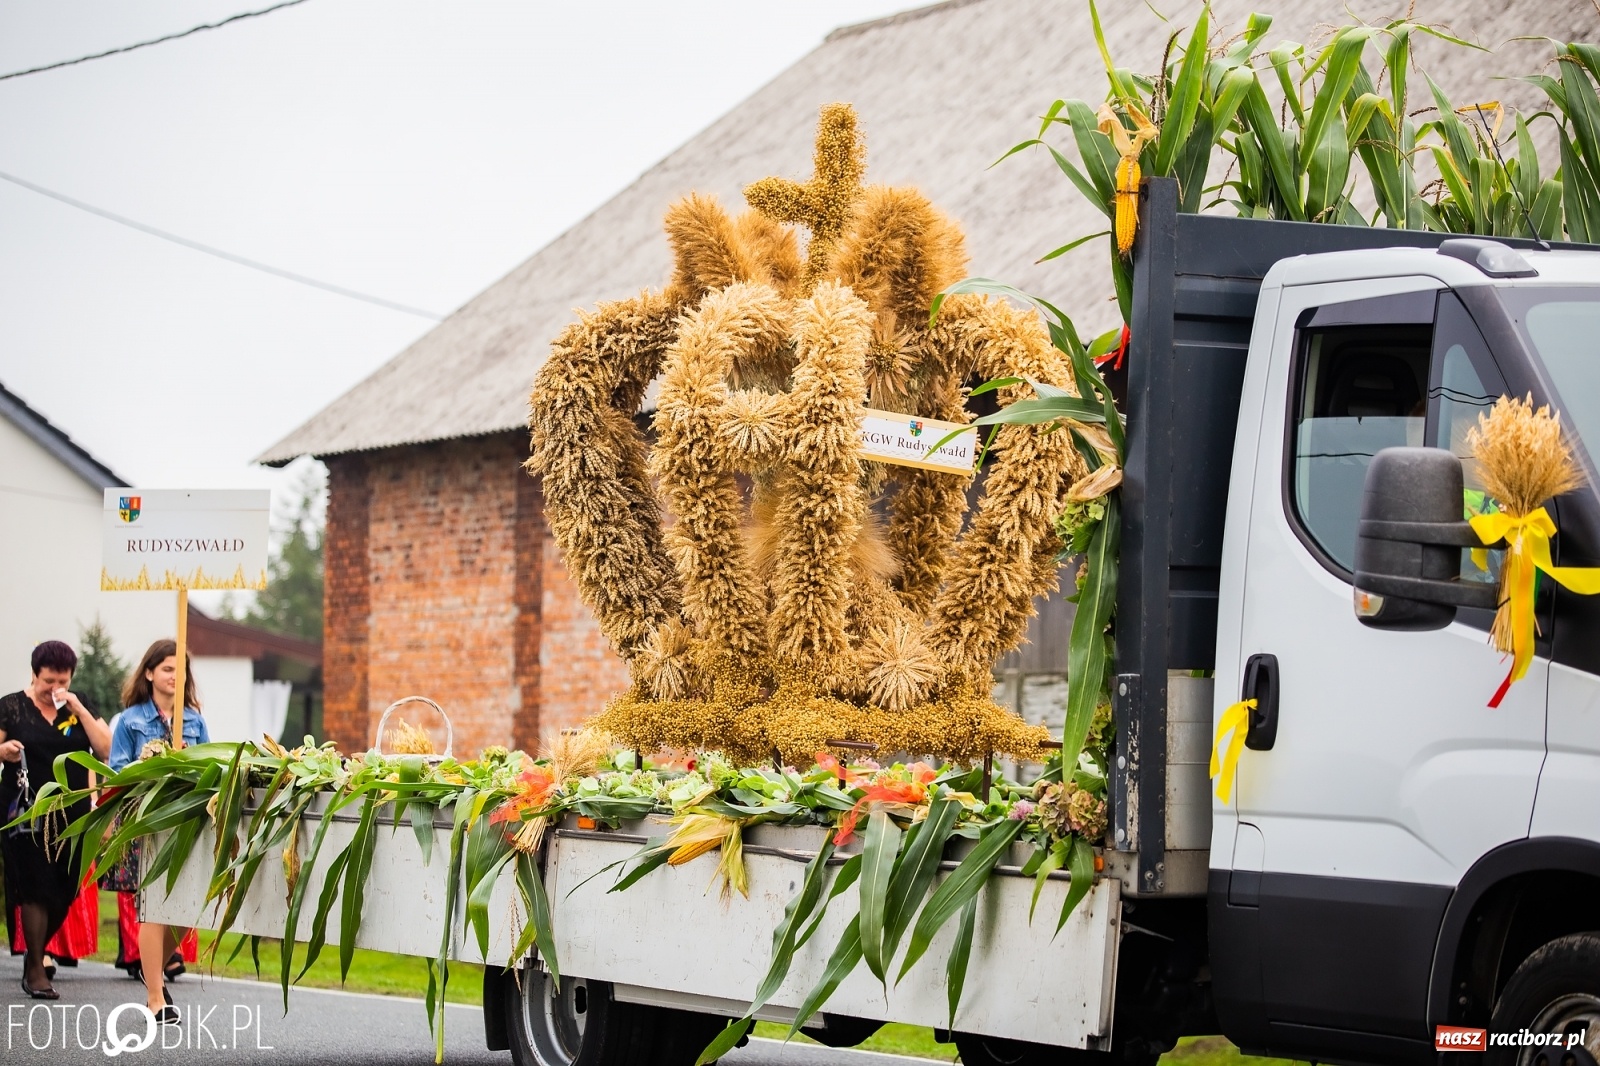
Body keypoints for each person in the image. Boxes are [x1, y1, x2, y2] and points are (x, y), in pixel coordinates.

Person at [0, 640, 112, 1000]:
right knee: (34, 887)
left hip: (72, 814)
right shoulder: (12, 707)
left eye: (62, 681)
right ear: (35, 674)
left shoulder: (78, 706)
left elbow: (105, 748)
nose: (55, 688)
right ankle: (35, 969)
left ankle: (35, 954)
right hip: (26, 814)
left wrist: (77, 707)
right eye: (48, 680)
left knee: (66, 889)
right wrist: (3, 751)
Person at [109, 639, 209, 1026]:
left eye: (180, 670)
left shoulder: (195, 721)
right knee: (154, 908)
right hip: (146, 825)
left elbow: (210, 769)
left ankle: (152, 969)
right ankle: (155, 996)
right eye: (168, 668)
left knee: (185, 909)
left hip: (185, 824)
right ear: (149, 673)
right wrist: (149, 761)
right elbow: (116, 772)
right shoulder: (130, 720)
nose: (174, 676)